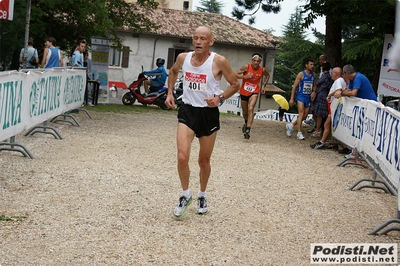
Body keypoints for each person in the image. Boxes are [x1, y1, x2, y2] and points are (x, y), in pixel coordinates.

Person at [165, 26, 240, 218]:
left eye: (203, 39)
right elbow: (173, 72)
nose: (198, 42)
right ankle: (185, 195)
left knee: (203, 161)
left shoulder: (219, 61)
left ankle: (202, 195)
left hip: (208, 113)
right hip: (188, 110)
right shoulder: (183, 58)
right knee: (182, 157)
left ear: (211, 42)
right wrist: (170, 93)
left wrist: (220, 99)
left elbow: (235, 84)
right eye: (195, 38)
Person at [333, 64, 377, 158]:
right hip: (364, 107)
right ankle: (356, 151)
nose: (344, 77)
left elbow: (353, 93)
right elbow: (349, 90)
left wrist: (342, 94)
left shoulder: (358, 78)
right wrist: (342, 92)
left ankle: (364, 153)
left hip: (371, 107)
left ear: (347, 73)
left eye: (344, 75)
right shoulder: (354, 79)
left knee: (364, 130)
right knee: (358, 129)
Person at [310, 67, 347, 149]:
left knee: (327, 124)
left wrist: (329, 95)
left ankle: (322, 142)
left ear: (335, 73)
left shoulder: (338, 81)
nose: (331, 75)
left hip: (334, 105)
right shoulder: (340, 81)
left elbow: (338, 90)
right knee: (331, 124)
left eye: (332, 73)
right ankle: (333, 142)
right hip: (333, 104)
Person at [236, 53, 270, 139]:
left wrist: (263, 86)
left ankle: (248, 129)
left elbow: (267, 76)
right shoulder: (246, 67)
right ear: (252, 61)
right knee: (245, 112)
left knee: (251, 108)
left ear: (260, 62)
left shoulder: (262, 70)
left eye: (258, 61)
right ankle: (246, 122)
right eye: (254, 61)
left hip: (254, 91)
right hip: (244, 91)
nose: (256, 63)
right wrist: (245, 76)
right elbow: (235, 75)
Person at [286, 58, 317, 140]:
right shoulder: (301, 74)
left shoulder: (314, 75)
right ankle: (299, 132)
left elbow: (314, 85)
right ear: (306, 65)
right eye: (311, 64)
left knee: (304, 116)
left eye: (313, 64)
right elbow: (294, 86)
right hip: (301, 96)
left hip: (308, 97)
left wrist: (314, 92)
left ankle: (291, 125)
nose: (312, 66)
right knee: (301, 113)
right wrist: (292, 98)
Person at [310, 61, 331, 137]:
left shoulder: (326, 76)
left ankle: (318, 129)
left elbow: (318, 83)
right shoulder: (326, 75)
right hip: (320, 94)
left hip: (321, 95)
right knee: (315, 112)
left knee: (319, 113)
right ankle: (317, 128)